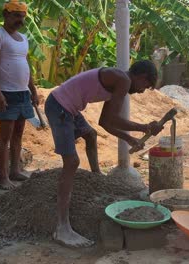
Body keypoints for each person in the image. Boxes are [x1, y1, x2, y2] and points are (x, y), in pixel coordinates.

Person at [45, 60, 164, 247]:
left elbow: (105, 122)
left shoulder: (119, 81)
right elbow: (114, 119)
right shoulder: (123, 80)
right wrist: (144, 127)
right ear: (141, 77)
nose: (142, 91)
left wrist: (129, 138)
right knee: (71, 162)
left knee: (91, 135)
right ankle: (62, 227)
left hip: (69, 107)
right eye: (145, 86)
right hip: (60, 107)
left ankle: (96, 177)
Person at [0, 1, 39, 190]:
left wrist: (33, 90)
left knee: (18, 135)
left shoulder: (23, 38)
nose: (20, 20)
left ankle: (15, 170)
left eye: (22, 16)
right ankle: (3, 176)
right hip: (6, 93)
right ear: (6, 14)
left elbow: (27, 67)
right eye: (16, 16)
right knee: (5, 137)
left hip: (23, 93)